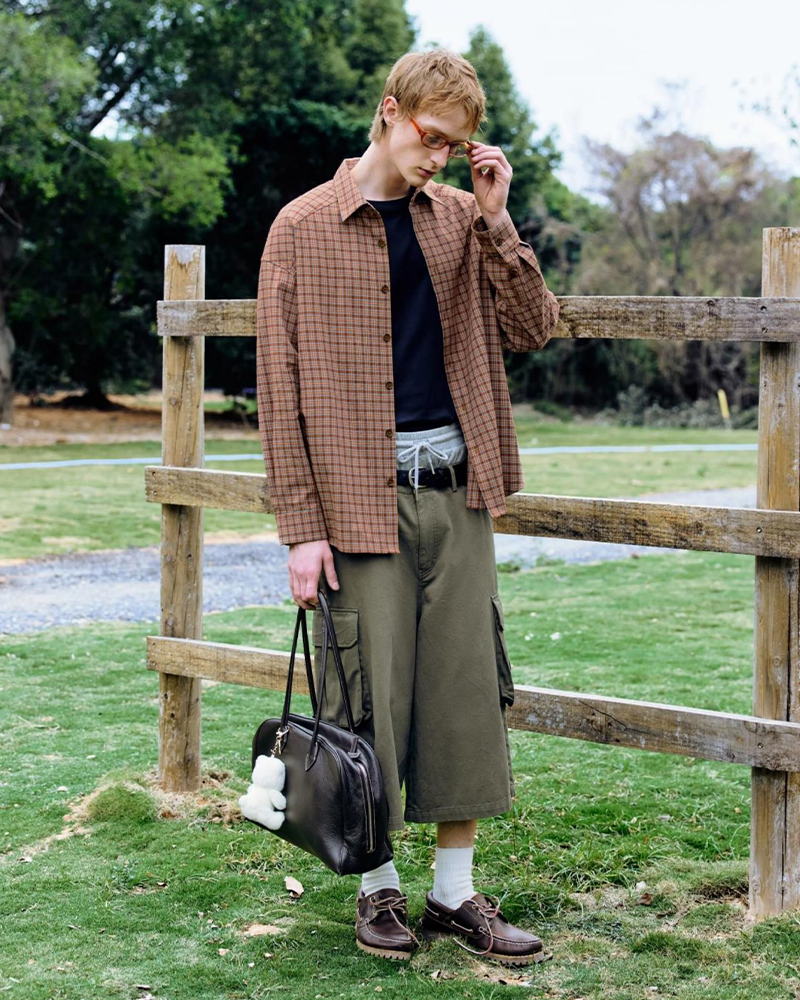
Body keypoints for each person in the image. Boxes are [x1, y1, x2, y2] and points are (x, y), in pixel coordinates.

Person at [256, 48, 560, 966]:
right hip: (356, 505)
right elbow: (278, 390)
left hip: (459, 495)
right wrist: (301, 530)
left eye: (455, 147)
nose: (438, 158)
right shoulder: (300, 227)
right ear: (390, 111)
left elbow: (534, 329)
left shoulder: (465, 220)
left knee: (467, 691)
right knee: (366, 699)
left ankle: (455, 895)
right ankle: (377, 889)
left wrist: (499, 222)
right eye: (431, 137)